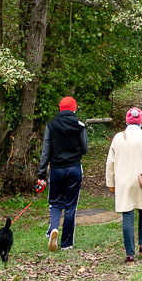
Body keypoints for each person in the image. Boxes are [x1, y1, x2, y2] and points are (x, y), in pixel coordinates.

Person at [106, 107, 142, 264]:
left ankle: (129, 253)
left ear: (126, 120)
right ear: (141, 121)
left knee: (127, 215)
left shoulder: (118, 138)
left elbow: (110, 162)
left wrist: (111, 182)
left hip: (123, 182)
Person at [38, 96, 88, 252]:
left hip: (57, 170)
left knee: (55, 202)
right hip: (74, 169)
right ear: (74, 109)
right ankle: (67, 244)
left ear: (60, 109)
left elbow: (45, 152)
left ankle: (53, 228)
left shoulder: (51, 126)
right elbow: (85, 149)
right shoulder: (80, 126)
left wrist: (41, 175)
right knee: (70, 206)